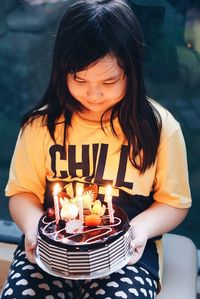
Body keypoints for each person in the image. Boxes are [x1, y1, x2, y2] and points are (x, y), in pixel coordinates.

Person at [1, 0, 191, 298]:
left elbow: (174, 202)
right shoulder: (40, 127)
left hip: (126, 259)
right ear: (61, 71)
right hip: (50, 254)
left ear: (132, 71)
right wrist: (34, 227)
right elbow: (21, 193)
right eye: (79, 79)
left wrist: (138, 230)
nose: (94, 93)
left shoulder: (160, 129)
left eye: (109, 80)